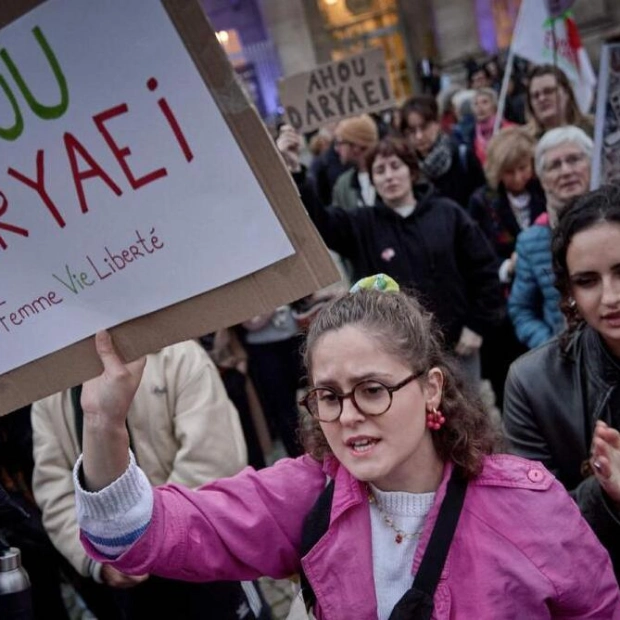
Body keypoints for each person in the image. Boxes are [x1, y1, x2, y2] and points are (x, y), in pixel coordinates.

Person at [72, 280, 620, 619]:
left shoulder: (529, 503)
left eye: (373, 389)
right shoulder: (309, 495)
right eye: (329, 396)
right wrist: (103, 422)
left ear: (430, 388)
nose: (349, 414)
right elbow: (139, 534)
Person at [31, 339, 270, 620]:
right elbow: (54, 490)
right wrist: (99, 560)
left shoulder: (178, 355)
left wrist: (152, 541)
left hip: (203, 554)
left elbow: (214, 458)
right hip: (127, 581)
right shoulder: (49, 394)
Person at [277, 128, 502, 384]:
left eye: (395, 166)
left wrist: (477, 325)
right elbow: (320, 222)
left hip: (457, 348)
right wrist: (296, 172)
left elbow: (484, 271)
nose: (389, 176)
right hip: (394, 355)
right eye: (380, 170)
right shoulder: (363, 224)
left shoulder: (448, 214)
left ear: (411, 171)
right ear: (372, 180)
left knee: (465, 419)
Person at [504, 184, 620, 580]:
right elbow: (537, 527)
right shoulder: (533, 383)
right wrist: (606, 493)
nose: (611, 297)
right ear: (568, 292)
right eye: (588, 281)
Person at [468, 126, 546, 407]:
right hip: (503, 302)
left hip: (543, 293)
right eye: (509, 172)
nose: (517, 178)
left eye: (523, 168)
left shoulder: (543, 190)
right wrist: (507, 266)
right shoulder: (482, 202)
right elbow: (478, 253)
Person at [508, 125, 593, 349]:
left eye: (574, 159)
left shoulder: (615, 226)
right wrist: (553, 347)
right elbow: (521, 310)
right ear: (542, 179)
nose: (566, 171)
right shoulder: (531, 241)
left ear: (592, 165)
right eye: (555, 165)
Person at [400, 95, 485, 210]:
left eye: (424, 127)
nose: (419, 136)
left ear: (437, 124)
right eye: (411, 131)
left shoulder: (461, 155)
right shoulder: (406, 168)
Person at [525, 64, 594, 140]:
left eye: (549, 91)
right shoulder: (525, 140)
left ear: (567, 93)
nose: (542, 98)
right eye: (535, 96)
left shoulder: (594, 130)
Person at [331, 114, 379, 210]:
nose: (336, 149)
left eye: (339, 143)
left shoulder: (389, 174)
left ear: (357, 145)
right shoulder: (343, 185)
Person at [471, 87, 513, 166]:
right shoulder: (471, 135)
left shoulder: (510, 130)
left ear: (494, 106)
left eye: (485, 102)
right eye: (476, 104)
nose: (479, 107)